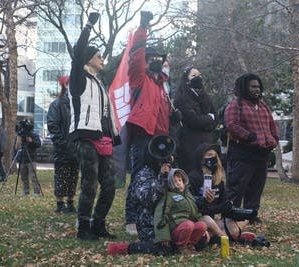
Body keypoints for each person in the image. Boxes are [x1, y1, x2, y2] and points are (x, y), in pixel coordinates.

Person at [124, 11, 180, 235]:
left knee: (160, 176)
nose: (156, 61)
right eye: (152, 58)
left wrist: (173, 119)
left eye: (159, 58)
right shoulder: (139, 78)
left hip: (161, 136)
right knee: (139, 175)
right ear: (146, 62)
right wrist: (143, 27)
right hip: (143, 135)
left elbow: (163, 110)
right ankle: (131, 218)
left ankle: (155, 216)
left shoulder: (163, 86)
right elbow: (136, 54)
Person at [68, 12, 121, 240]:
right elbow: (78, 53)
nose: (102, 59)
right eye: (99, 56)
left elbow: (106, 113)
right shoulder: (78, 78)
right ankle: (83, 227)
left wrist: (112, 135)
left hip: (103, 139)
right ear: (88, 59)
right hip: (85, 137)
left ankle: (99, 223)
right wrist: (89, 26)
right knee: (89, 184)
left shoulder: (101, 83)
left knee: (109, 185)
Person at [224, 73, 279, 224]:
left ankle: (251, 215)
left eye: (258, 86)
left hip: (262, 154)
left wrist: (274, 140)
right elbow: (231, 125)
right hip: (242, 153)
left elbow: (272, 126)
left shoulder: (263, 106)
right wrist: (248, 136)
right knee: (237, 187)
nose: (257, 89)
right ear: (244, 88)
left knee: (256, 187)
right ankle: (231, 215)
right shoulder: (236, 104)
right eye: (253, 87)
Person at [188, 143, 263, 244]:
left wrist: (237, 213)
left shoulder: (218, 181)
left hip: (212, 222)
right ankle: (224, 238)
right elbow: (189, 203)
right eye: (209, 155)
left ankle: (216, 236)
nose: (213, 158)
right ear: (201, 158)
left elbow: (224, 206)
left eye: (215, 155)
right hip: (197, 220)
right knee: (208, 223)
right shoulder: (193, 177)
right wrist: (204, 201)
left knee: (237, 223)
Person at [174, 67, 218, 173]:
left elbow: (216, 117)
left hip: (207, 141)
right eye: (193, 75)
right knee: (191, 173)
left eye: (199, 75)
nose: (198, 78)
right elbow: (193, 120)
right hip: (189, 143)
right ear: (187, 79)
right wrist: (209, 118)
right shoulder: (182, 97)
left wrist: (207, 123)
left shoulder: (205, 96)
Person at [154, 168, 207, 254]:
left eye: (180, 180)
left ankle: (190, 244)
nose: (178, 183)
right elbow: (160, 215)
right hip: (175, 230)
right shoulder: (169, 196)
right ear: (171, 184)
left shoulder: (188, 195)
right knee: (188, 225)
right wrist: (163, 237)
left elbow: (196, 213)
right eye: (175, 181)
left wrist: (204, 230)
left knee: (202, 225)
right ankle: (181, 246)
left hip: (188, 228)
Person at [47, 76, 79, 213]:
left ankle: (70, 203)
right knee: (61, 176)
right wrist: (63, 144)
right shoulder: (57, 104)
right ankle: (60, 204)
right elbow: (52, 126)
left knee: (73, 176)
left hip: (76, 148)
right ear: (66, 85)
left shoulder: (77, 104)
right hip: (63, 148)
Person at [15, 121, 42, 196]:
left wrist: (31, 141)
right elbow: (17, 147)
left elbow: (38, 144)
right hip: (23, 158)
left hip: (31, 158)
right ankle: (25, 191)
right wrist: (18, 140)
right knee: (23, 177)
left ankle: (37, 192)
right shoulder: (20, 135)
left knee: (33, 176)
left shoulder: (33, 135)